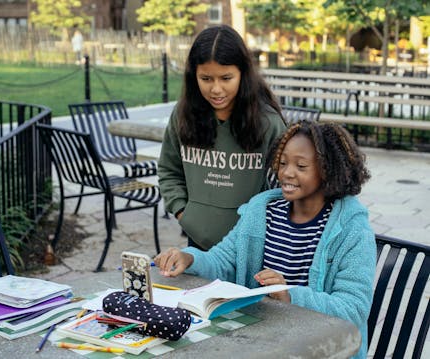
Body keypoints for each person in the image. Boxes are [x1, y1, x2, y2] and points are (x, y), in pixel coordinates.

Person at [155, 121, 376, 359]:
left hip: (321, 348)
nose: (286, 173)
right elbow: (225, 260)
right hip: (260, 340)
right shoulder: (263, 211)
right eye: (282, 163)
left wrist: (289, 295)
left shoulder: (351, 229)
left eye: (301, 166)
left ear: (329, 170)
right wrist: (190, 258)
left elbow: (353, 308)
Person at [158, 25, 286, 250]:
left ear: (243, 74)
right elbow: (169, 170)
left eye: (226, 78)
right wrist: (183, 213)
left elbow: (285, 186)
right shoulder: (182, 115)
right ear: (193, 75)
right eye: (206, 78)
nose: (216, 89)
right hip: (197, 243)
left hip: (251, 246)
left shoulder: (268, 122)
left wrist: (262, 226)